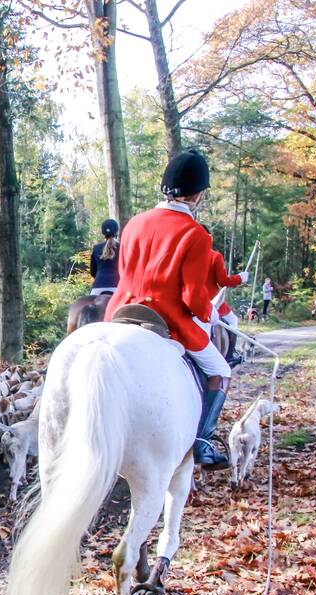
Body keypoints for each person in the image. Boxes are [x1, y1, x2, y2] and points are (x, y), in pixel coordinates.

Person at [105, 149, 231, 471]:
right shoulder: (196, 234)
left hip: (120, 311)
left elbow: (125, 272)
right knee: (221, 370)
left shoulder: (133, 223)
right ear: (198, 194)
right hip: (167, 319)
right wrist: (211, 314)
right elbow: (192, 297)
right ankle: (203, 443)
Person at [201, 238, 250, 367]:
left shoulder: (184, 253)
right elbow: (223, 281)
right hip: (212, 301)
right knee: (233, 320)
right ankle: (230, 355)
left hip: (188, 300)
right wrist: (240, 278)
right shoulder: (214, 256)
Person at [89, 219, 120, 295]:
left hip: (98, 286)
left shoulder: (96, 248)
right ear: (116, 232)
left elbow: (93, 271)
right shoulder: (122, 247)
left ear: (103, 233)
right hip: (117, 286)